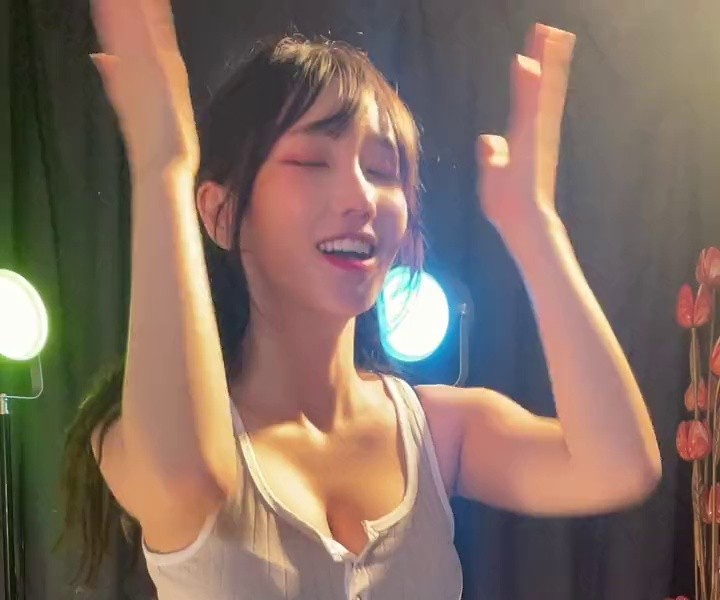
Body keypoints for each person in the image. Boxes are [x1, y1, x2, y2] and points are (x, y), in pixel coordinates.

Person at [58, 0, 662, 598]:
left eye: (382, 170)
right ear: (220, 213)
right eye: (310, 161)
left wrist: (535, 226)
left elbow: (617, 467)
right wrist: (164, 168)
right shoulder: (148, 431)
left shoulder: (435, 431)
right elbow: (185, 478)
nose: (362, 197)